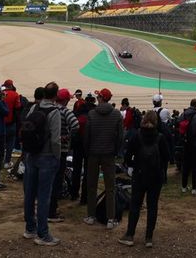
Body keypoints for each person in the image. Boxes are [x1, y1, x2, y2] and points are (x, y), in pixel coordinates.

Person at [118, 110, 170, 247]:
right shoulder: (160, 137)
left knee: (135, 205)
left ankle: (130, 235)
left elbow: (127, 157)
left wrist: (133, 166)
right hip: (155, 176)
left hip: (139, 175)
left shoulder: (137, 136)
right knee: (152, 206)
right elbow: (167, 158)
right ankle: (148, 238)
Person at [23, 83, 62, 247]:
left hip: (31, 155)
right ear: (55, 96)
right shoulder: (54, 112)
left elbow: (26, 128)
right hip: (47, 157)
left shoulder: (34, 108)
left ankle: (30, 228)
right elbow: (55, 139)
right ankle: (43, 234)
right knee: (44, 197)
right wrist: (57, 156)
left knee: (29, 194)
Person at [83, 88, 123, 229]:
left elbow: (87, 135)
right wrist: (115, 151)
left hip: (93, 153)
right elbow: (120, 137)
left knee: (92, 185)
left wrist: (87, 151)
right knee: (110, 187)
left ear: (100, 98)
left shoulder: (92, 114)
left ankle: (91, 216)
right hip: (109, 154)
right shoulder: (117, 114)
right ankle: (111, 218)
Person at [48, 87, 80, 222]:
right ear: (66, 100)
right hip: (61, 150)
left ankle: (48, 207)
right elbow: (76, 125)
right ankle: (52, 211)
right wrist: (66, 137)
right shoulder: (65, 111)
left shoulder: (50, 109)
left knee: (49, 180)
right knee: (57, 180)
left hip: (49, 149)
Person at [180, 98, 196, 194]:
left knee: (186, 165)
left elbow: (179, 125)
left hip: (186, 142)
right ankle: (195, 188)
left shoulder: (183, 114)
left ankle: (184, 186)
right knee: (195, 166)